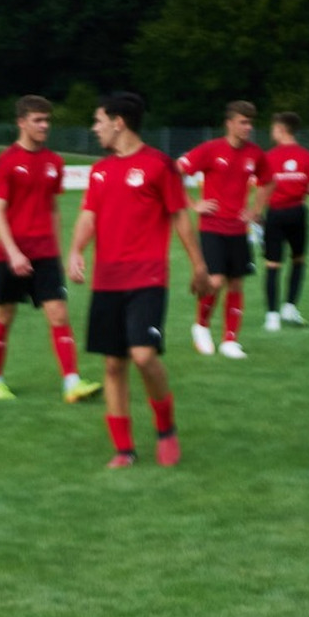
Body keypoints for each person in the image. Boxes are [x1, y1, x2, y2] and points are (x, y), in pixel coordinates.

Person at [67, 91, 213, 468]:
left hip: (147, 278)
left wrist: (199, 266)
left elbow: (180, 216)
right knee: (113, 365)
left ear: (119, 122)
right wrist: (76, 250)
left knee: (144, 356)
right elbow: (89, 215)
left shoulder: (159, 166)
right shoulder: (100, 170)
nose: (94, 128)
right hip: (107, 281)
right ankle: (124, 449)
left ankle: (165, 428)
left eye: (99, 121)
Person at [0, 94, 103, 403]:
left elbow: (52, 208)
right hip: (11, 255)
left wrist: (61, 250)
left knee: (59, 314)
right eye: (38, 120)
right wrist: (12, 252)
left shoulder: (54, 162)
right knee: (4, 316)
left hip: (45, 254)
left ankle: (72, 383)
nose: (44, 126)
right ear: (21, 122)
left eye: (47, 120)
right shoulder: (7, 161)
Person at [176, 101, 263, 359]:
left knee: (236, 283)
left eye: (250, 123)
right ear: (230, 123)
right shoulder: (211, 149)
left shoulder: (255, 153)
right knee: (215, 281)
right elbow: (175, 172)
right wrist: (194, 204)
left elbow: (269, 181)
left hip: (239, 229)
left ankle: (230, 341)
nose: (248, 127)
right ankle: (201, 326)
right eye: (243, 122)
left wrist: (256, 209)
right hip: (212, 227)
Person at [252, 111, 309, 332]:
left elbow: (260, 186)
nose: (272, 132)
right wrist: (299, 184)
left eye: (273, 128)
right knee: (298, 259)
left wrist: (256, 213)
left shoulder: (268, 157)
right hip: (298, 213)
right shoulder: (307, 156)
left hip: (276, 215)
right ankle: (290, 307)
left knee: (273, 265)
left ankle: (272, 316)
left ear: (281, 129)